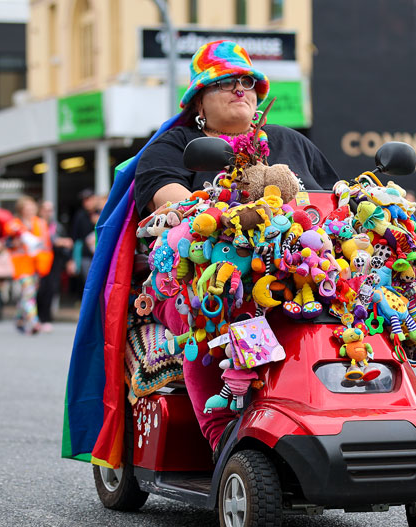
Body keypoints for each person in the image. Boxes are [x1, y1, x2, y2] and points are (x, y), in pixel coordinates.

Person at [134, 40, 339, 456]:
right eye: (224, 82)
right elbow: (170, 200)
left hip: (294, 274)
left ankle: (344, 407)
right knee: (211, 310)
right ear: (198, 104)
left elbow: (336, 203)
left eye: (246, 81)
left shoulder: (291, 143)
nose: (239, 89)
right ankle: (224, 438)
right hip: (197, 279)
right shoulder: (173, 146)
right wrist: (210, 212)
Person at [4, 196, 54, 334]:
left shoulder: (41, 223)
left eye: (32, 207)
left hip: (37, 262)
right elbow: (7, 243)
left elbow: (46, 242)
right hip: (22, 263)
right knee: (29, 292)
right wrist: (17, 242)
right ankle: (34, 322)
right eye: (27, 208)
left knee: (28, 294)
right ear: (22, 210)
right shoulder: (14, 224)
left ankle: (19, 318)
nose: (30, 210)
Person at [36, 201, 73, 332]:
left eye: (50, 210)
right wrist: (57, 242)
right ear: (40, 211)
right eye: (46, 209)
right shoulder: (37, 224)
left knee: (51, 289)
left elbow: (66, 242)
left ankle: (46, 318)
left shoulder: (56, 226)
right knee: (39, 290)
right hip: (39, 261)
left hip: (54, 262)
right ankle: (37, 317)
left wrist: (68, 257)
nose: (48, 212)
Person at [71, 189, 97, 293]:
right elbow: (75, 238)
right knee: (90, 283)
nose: (87, 203)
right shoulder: (80, 216)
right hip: (86, 256)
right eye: (85, 200)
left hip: (100, 254)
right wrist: (73, 259)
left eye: (89, 199)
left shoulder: (103, 213)